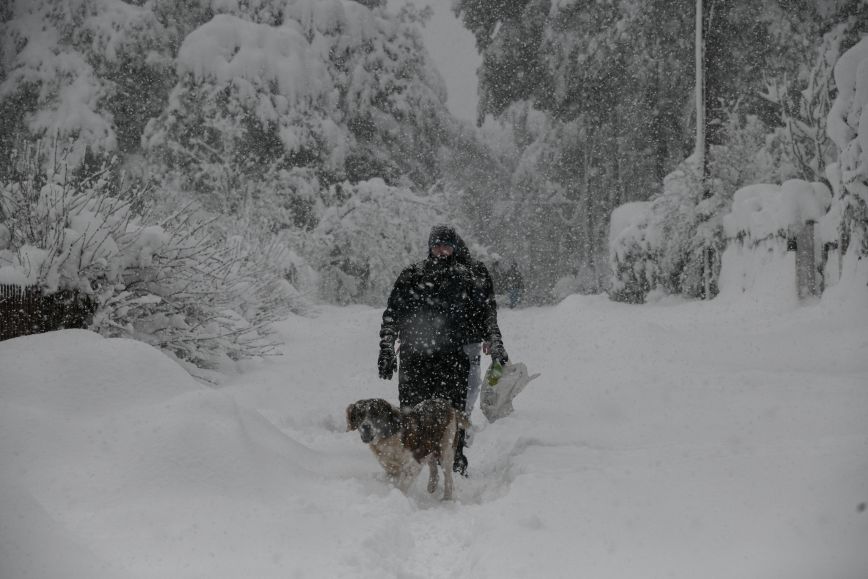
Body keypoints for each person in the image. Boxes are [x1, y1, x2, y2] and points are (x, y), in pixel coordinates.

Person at [377, 225, 508, 476]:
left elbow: (486, 313)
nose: (441, 250)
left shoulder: (469, 275)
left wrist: (495, 340)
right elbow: (392, 315)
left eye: (446, 245)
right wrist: (386, 349)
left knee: (452, 416)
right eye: (436, 245)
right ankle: (411, 468)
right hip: (414, 359)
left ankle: (454, 462)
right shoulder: (412, 275)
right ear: (429, 247)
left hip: (452, 359)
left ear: (455, 246)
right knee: (411, 416)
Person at [453, 235, 508, 424]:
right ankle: (459, 421)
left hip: (469, 340)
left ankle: (462, 421)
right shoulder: (434, 273)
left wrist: (491, 337)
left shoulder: (476, 270)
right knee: (469, 383)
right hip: (451, 341)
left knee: (471, 382)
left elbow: (486, 307)